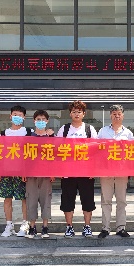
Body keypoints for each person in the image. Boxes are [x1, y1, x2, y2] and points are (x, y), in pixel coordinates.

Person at [56, 100, 98, 238]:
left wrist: (93, 170)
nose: (76, 114)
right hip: (68, 172)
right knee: (67, 200)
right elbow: (57, 150)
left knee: (88, 200)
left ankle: (87, 226)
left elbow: (95, 150)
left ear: (84, 114)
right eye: (74, 111)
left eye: (79, 111)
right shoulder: (64, 129)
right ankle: (69, 227)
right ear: (70, 114)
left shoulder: (89, 129)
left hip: (86, 172)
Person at [97, 105, 134, 238]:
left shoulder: (128, 133)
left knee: (121, 200)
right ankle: (105, 228)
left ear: (123, 116)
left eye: (119, 114)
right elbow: (96, 150)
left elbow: (132, 153)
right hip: (106, 170)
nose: (116, 116)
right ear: (110, 115)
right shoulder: (102, 132)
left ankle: (121, 227)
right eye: (114, 114)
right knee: (106, 200)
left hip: (122, 171)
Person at [0, 105, 32, 238]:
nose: (17, 117)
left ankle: (25, 224)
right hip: (7, 171)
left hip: (22, 172)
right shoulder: (3, 133)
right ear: (10, 116)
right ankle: (9, 225)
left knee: (24, 199)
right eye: (15, 115)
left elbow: (32, 153)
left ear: (24, 117)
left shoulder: (28, 132)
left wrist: (26, 171)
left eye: (20, 115)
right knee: (7, 198)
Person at [25, 110, 55, 239]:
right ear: (34, 121)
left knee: (45, 199)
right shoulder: (29, 137)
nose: (41, 121)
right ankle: (32, 227)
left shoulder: (51, 137)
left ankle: (45, 227)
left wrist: (53, 172)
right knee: (31, 200)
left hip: (46, 174)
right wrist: (23, 172)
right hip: (31, 173)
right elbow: (24, 156)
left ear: (47, 121)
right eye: (38, 119)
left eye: (43, 119)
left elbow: (55, 155)